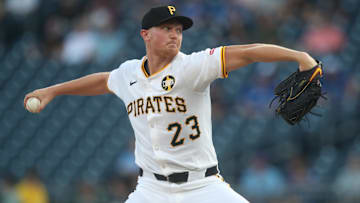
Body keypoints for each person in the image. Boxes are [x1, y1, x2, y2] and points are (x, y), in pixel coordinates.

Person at [24, 5, 318, 203]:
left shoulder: (194, 66)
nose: (175, 34)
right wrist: (54, 90)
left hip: (203, 187)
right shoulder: (128, 73)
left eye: (178, 30)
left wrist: (299, 56)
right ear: (146, 34)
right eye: (167, 28)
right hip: (151, 189)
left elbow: (250, 52)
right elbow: (102, 81)